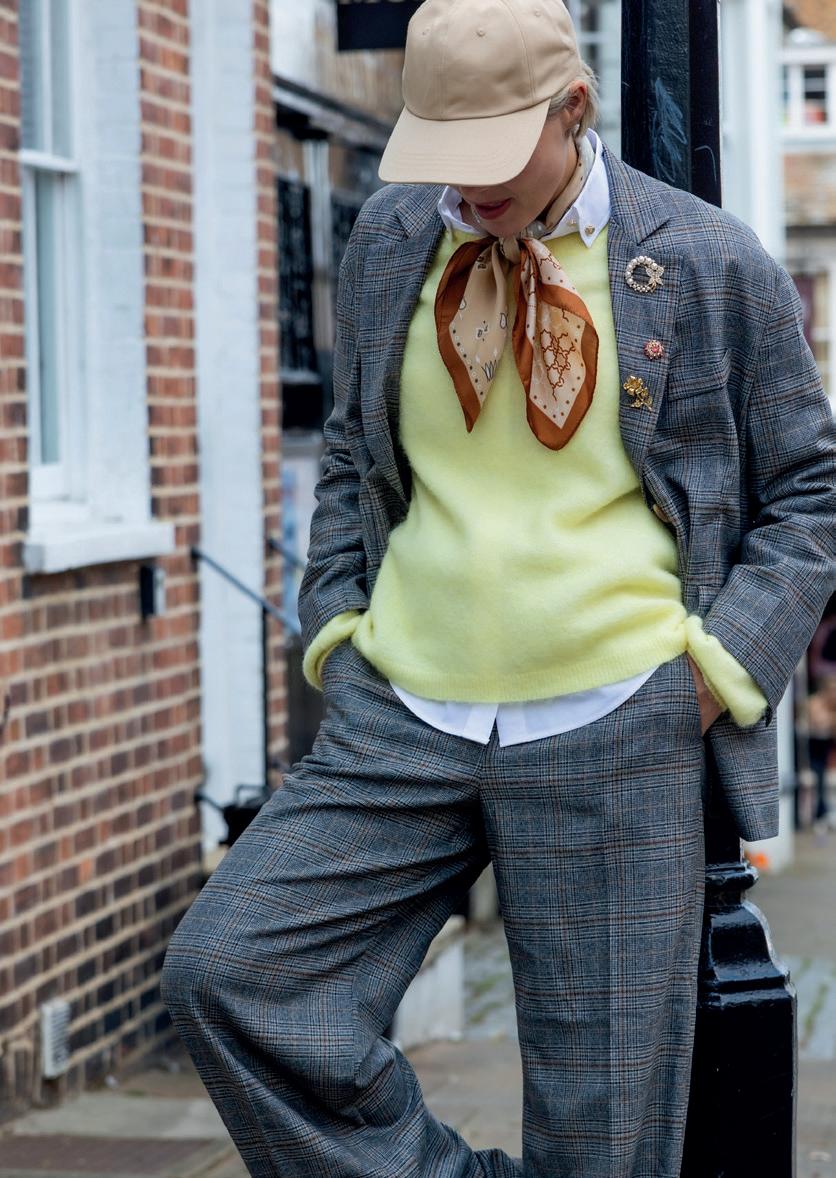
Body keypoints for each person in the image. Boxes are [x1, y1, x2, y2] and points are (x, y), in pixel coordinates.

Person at [160, 2, 836, 1175]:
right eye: (443, 151)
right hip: (399, 713)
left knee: (598, 1140)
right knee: (230, 971)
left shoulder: (705, 257)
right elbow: (351, 450)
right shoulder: (390, 239)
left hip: (615, 720)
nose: (466, 187)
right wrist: (337, 629)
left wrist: (711, 671)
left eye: (492, 154)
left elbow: (807, 487)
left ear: (572, 110)